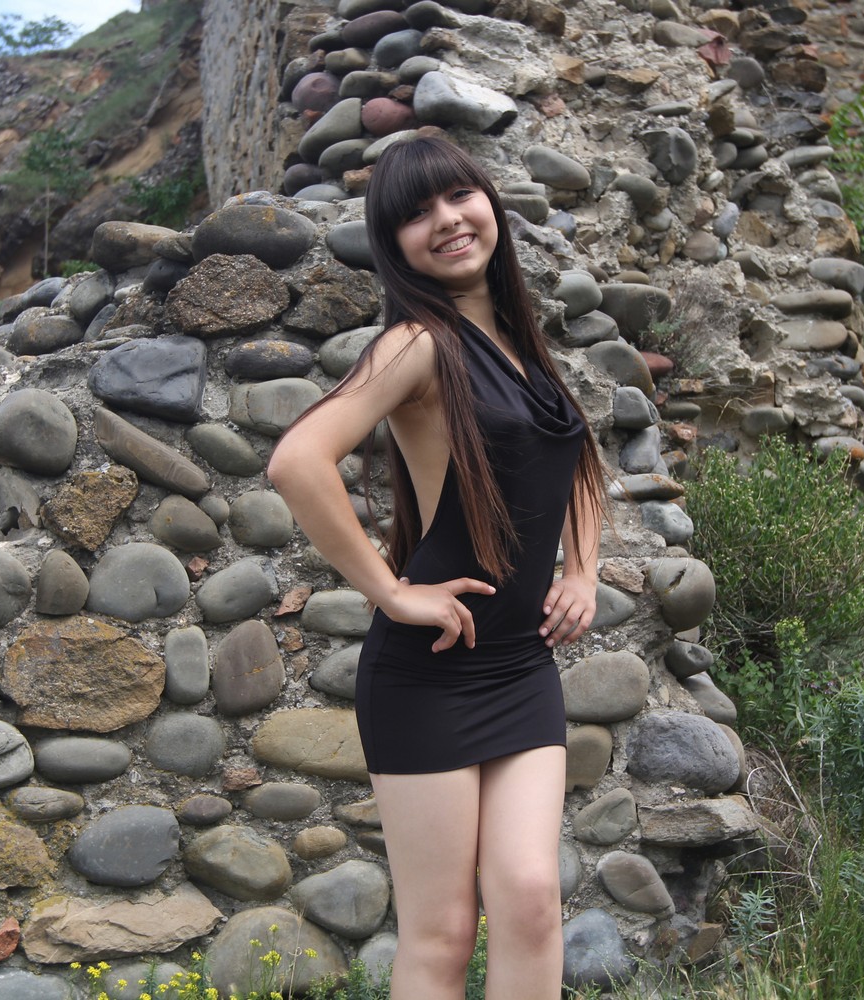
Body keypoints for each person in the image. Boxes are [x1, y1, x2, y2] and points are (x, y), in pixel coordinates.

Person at [267, 135, 607, 1000]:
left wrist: (583, 570)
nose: (447, 221)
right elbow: (298, 461)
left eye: (459, 196)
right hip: (429, 675)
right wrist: (390, 592)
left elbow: (572, 457)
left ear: (489, 202)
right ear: (395, 245)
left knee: (530, 901)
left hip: (519, 665)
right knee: (443, 932)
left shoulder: (520, 344)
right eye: (416, 214)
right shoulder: (419, 344)